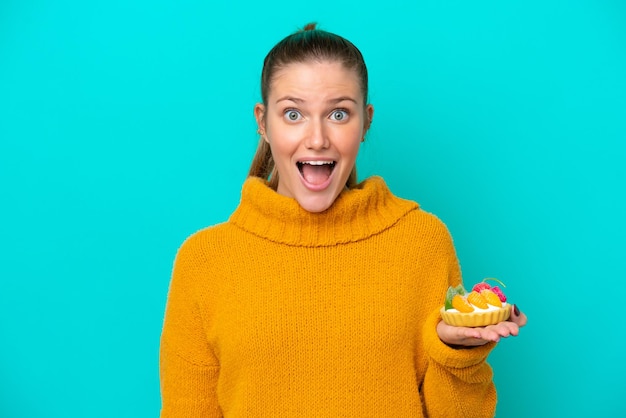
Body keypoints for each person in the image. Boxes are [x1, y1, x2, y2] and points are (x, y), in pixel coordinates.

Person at [159, 23, 527, 417]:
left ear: (365, 122)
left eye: (338, 113)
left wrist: (457, 352)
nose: (317, 138)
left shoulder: (422, 242)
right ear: (263, 123)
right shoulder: (204, 261)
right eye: (293, 113)